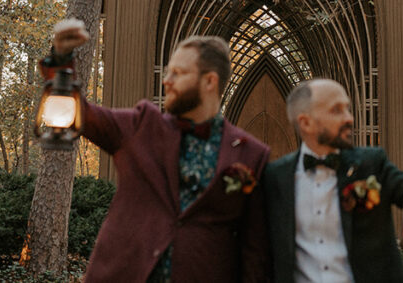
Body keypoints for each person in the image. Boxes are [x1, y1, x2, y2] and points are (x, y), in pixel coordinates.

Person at [46, 20, 270, 283]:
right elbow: (82, 113)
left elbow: (256, 250)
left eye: (178, 73)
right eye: (168, 72)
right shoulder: (142, 125)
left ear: (210, 81)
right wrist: (61, 60)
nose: (167, 81)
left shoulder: (250, 154)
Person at [263, 78, 403, 283]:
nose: (349, 118)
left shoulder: (372, 164)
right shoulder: (275, 177)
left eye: (348, 109)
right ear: (306, 123)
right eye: (336, 110)